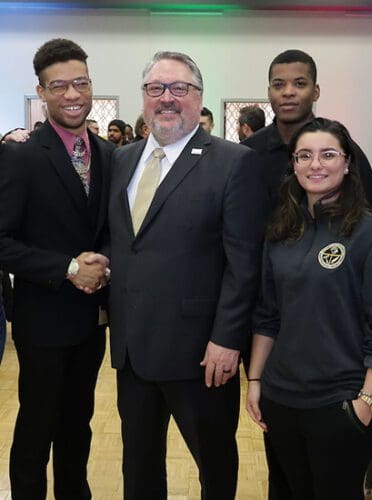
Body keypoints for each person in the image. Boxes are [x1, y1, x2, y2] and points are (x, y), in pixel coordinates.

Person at [106, 51, 268, 499]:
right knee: (137, 467)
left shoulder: (233, 162)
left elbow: (244, 263)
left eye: (180, 89)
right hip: (132, 349)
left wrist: (228, 339)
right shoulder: (123, 160)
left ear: (200, 98)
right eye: (156, 89)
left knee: (214, 464)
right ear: (144, 98)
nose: (167, 99)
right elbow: (123, 242)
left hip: (201, 354)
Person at [242, 48, 372, 500]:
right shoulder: (246, 158)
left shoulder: (364, 212)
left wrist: (368, 399)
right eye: (279, 84)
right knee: (284, 477)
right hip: (275, 348)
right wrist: (255, 377)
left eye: (299, 83)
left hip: (340, 360)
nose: (315, 165)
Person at [0, 38, 113, 498]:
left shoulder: (107, 153)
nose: (72, 95)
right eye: (59, 86)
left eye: (80, 83)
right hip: (43, 317)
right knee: (36, 426)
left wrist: (103, 263)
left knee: (78, 424)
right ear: (42, 91)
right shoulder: (21, 153)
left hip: (92, 319)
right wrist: (67, 267)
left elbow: (107, 226)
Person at [243, 49, 372, 220]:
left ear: (316, 92)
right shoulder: (248, 153)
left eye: (300, 84)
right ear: (269, 92)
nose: (288, 92)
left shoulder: (341, 148)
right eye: (278, 85)